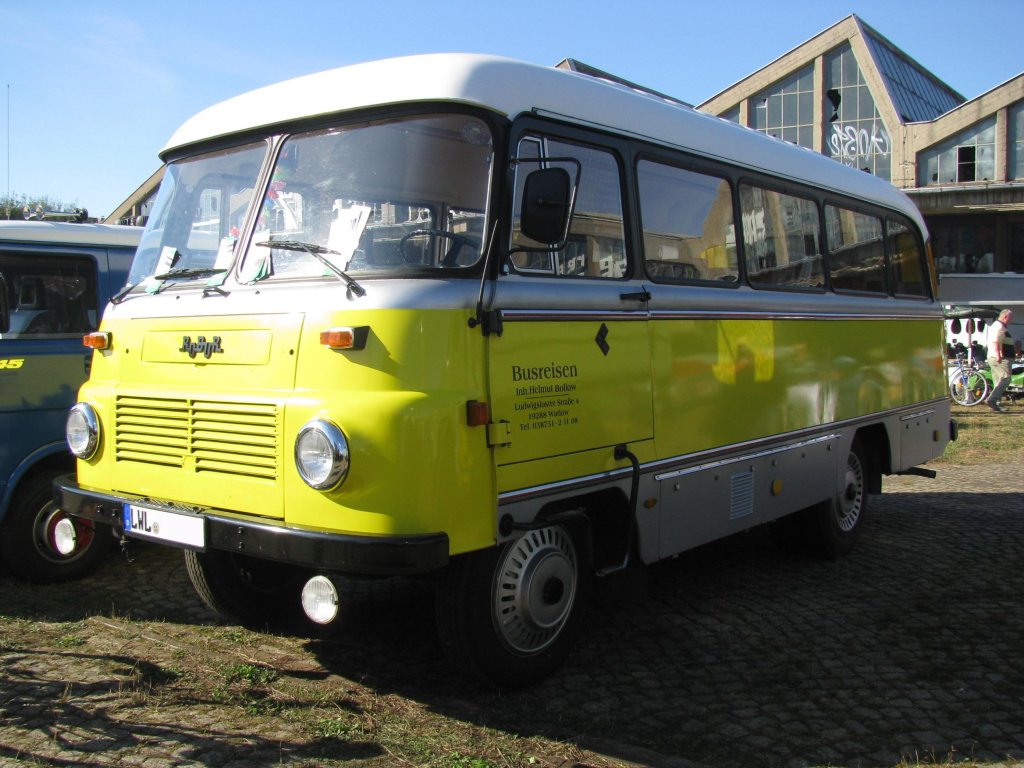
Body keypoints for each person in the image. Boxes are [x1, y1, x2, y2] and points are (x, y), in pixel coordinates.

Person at [985, 308, 1014, 412]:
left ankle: (996, 403)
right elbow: (995, 341)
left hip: (996, 356)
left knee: (998, 381)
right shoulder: (999, 326)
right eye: (1010, 317)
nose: (1011, 319)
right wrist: (998, 355)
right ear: (1005, 316)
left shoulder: (999, 326)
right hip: (999, 357)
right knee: (1006, 378)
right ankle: (992, 400)